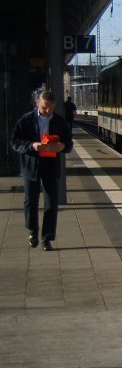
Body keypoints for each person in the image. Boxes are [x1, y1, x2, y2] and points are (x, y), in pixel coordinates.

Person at [10, 89, 73, 251]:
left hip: (51, 166)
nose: (47, 111)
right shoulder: (26, 120)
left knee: (51, 203)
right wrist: (32, 145)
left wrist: (63, 146)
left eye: (50, 108)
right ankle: (32, 231)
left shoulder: (59, 122)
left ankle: (47, 238)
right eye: (45, 107)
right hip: (31, 165)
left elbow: (68, 143)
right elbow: (15, 141)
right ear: (38, 103)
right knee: (30, 202)